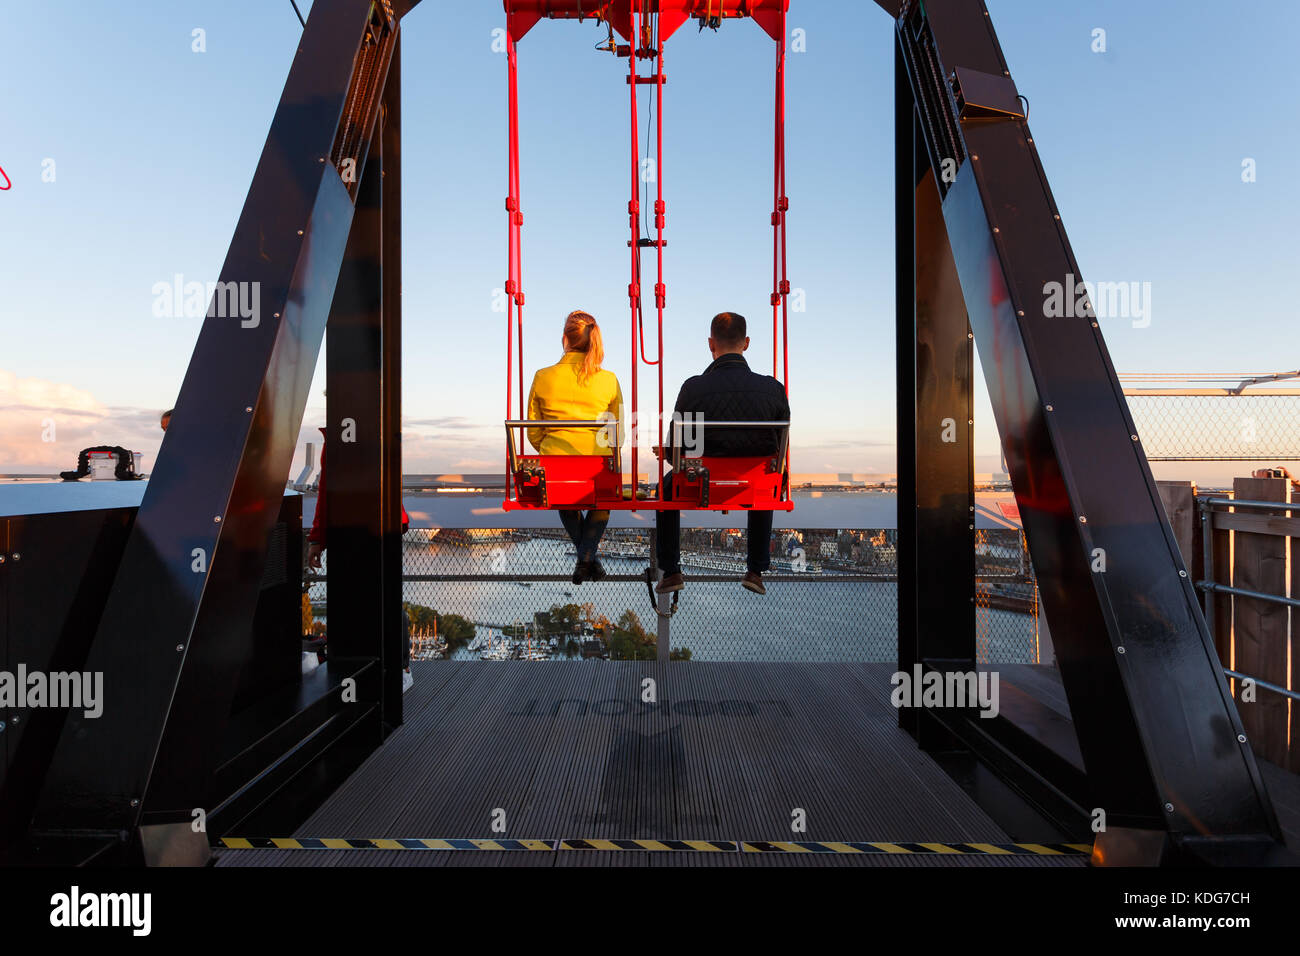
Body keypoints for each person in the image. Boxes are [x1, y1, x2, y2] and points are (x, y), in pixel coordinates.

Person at [655, 312, 790, 595]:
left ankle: (671, 570)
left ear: (710, 344)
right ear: (747, 343)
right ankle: (756, 568)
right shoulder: (773, 389)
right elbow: (779, 449)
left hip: (700, 482)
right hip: (754, 483)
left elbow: (678, 446)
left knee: (665, 488)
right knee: (771, 478)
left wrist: (669, 454)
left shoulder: (693, 388)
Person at [307, 425, 415, 691]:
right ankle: (364, 666)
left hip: (370, 529)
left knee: (382, 601)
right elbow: (326, 491)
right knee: (356, 601)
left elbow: (328, 491)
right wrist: (317, 539)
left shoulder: (369, 430)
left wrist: (318, 539)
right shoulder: (348, 435)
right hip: (354, 531)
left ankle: (399, 668)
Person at [526, 310, 624, 584]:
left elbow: (534, 432)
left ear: (564, 339)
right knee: (603, 499)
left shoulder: (542, 376)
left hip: (554, 469)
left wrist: (550, 450)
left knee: (563, 496)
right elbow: (618, 435)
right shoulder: (608, 380)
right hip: (598, 468)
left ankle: (586, 560)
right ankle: (587, 559)